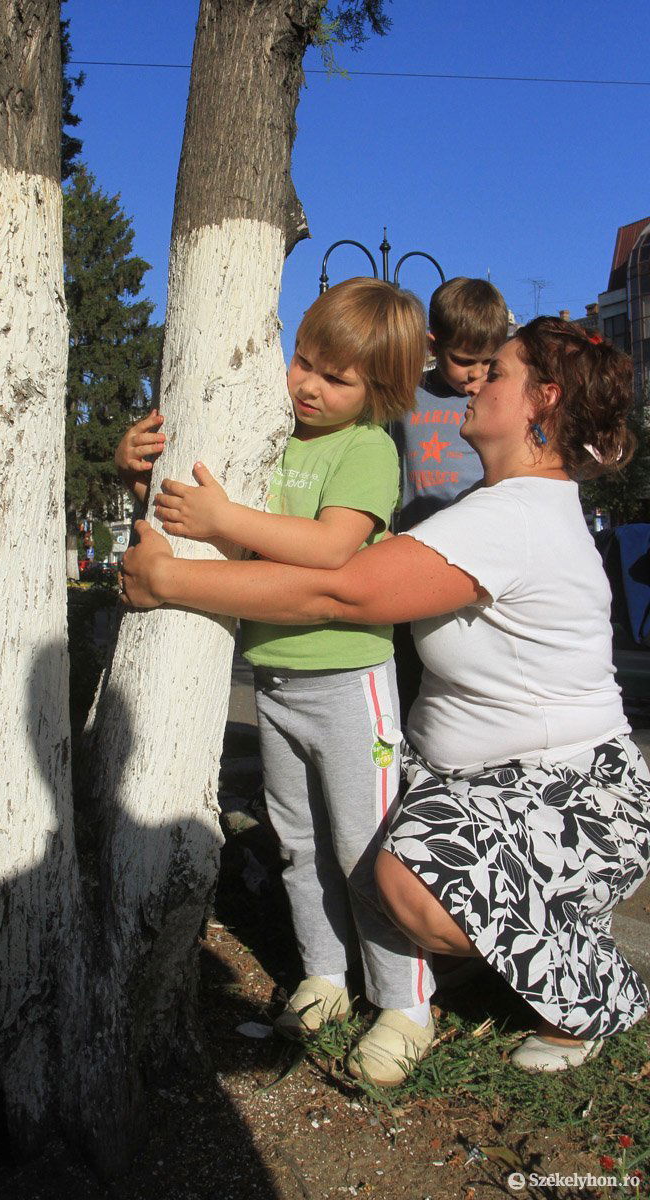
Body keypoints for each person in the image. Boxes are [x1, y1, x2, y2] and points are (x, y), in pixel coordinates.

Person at [120, 317, 650, 1083]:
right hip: (503, 788)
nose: (471, 380)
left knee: (404, 881)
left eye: (495, 372)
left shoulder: (514, 518)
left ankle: (587, 990)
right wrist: (150, 471)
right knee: (369, 856)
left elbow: (343, 591)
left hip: (574, 796)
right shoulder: (501, 506)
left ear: (543, 401)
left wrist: (169, 580)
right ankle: (509, 934)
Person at [116, 278, 433, 1041]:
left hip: (352, 684)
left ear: (381, 390)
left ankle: (405, 1004)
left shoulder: (367, 450)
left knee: (367, 845)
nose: (309, 386)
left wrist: (226, 513)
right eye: (303, 362)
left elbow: (329, 548)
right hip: (277, 679)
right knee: (297, 840)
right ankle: (324, 977)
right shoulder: (270, 436)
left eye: (336, 377)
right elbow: (240, 546)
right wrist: (138, 471)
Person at [392, 277, 510, 721]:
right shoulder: (407, 394)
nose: (476, 375)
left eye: (488, 362)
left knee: (465, 672)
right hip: (414, 551)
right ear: (433, 344)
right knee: (409, 669)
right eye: (463, 361)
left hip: (476, 558)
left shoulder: (498, 397)